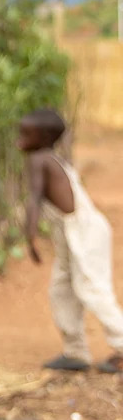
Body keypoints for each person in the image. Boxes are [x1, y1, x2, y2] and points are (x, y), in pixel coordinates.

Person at [19, 108, 123, 374]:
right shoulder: (51, 157)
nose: (18, 139)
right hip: (70, 232)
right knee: (61, 289)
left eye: (25, 133)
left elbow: (33, 199)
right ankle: (75, 351)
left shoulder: (40, 159)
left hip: (84, 231)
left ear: (42, 137)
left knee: (91, 288)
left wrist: (30, 236)